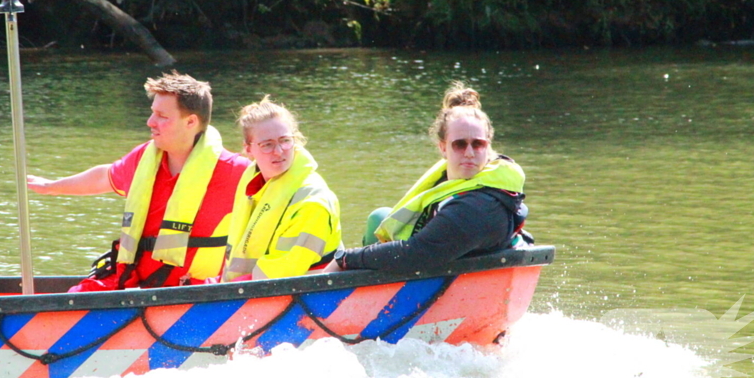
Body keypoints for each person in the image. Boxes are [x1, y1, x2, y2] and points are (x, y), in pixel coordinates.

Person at [28, 72, 249, 290]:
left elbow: (276, 199)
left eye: (162, 116)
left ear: (190, 121)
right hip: (133, 286)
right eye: (153, 113)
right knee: (73, 299)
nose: (150, 122)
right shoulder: (144, 158)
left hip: (192, 294)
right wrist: (50, 187)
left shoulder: (235, 171)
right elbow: (103, 177)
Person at [325, 84, 527, 273]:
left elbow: (417, 253)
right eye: (459, 144)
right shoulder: (453, 181)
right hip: (441, 260)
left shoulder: (479, 206)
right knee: (379, 217)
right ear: (443, 148)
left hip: (434, 263)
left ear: (488, 146)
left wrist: (344, 259)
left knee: (366, 246)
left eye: (478, 144)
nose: (469, 153)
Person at [221, 97, 341, 282]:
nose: (278, 151)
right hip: (252, 293)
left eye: (285, 140)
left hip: (304, 301)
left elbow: (280, 275)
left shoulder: (313, 202)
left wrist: (222, 290)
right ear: (248, 149)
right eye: (267, 144)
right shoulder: (254, 179)